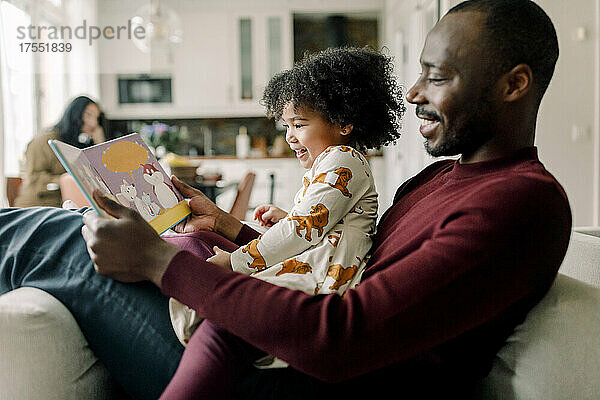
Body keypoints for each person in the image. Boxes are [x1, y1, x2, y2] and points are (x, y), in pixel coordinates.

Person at [0, 0, 572, 398]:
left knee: (50, 236)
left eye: (437, 77)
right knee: (80, 223)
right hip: (283, 354)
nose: (415, 93)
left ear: (513, 85)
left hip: (288, 381)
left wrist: (157, 260)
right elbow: (336, 267)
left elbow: (339, 337)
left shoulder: (520, 204)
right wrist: (230, 229)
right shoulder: (442, 181)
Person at [160, 47, 403, 398]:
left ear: (344, 123)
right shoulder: (335, 161)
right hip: (321, 264)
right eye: (287, 125)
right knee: (195, 249)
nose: (289, 136)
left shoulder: (342, 159)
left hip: (323, 279)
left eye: (299, 125)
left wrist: (235, 260)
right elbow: (316, 225)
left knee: (213, 285)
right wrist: (288, 218)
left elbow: (304, 231)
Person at [14, 95, 105, 207]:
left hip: (64, 204)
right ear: (74, 114)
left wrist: (100, 144)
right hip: (38, 206)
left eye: (96, 118)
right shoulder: (45, 141)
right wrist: (69, 181)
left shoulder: (78, 144)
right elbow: (34, 178)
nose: (94, 123)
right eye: (88, 115)